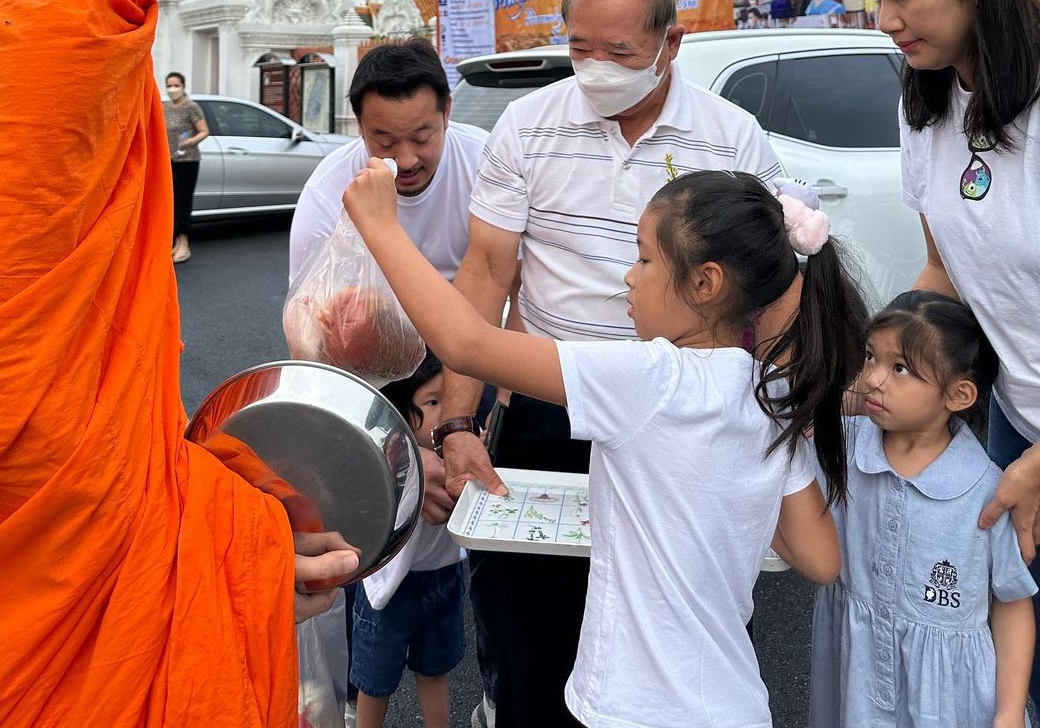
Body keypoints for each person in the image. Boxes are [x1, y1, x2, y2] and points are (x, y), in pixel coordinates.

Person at [0, 0, 360, 726]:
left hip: (96, 456)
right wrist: (199, 527)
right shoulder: (58, 32)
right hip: (48, 510)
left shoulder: (105, 17)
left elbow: (85, 313)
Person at [345, 164, 869, 728]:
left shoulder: (649, 378)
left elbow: (466, 343)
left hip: (629, 708)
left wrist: (381, 226)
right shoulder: (771, 399)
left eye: (644, 259)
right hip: (734, 704)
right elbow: (820, 559)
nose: (628, 277)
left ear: (705, 283)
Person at [432, 0, 786, 727]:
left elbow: (766, 287)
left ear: (672, 41)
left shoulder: (732, 139)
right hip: (550, 404)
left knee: (676, 628)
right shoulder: (528, 125)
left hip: (681, 421)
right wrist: (459, 420)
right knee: (528, 619)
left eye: (620, 52)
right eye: (579, 47)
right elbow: (487, 272)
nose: (595, 69)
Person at [848, 0, 1040, 702]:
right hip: (1014, 408)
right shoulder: (928, 104)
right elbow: (944, 274)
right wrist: (869, 369)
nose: (887, 21)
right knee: (1006, 643)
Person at [288, 39, 488, 721]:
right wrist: (401, 449)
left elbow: (509, 298)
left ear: (448, 115)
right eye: (383, 139)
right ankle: (356, 696)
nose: (405, 159)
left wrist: (460, 421)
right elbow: (311, 340)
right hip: (377, 387)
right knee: (368, 548)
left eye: (423, 137)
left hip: (477, 377)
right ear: (358, 128)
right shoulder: (327, 192)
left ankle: (495, 685)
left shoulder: (487, 165)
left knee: (482, 543)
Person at [810, 291, 1035, 727]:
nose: (874, 379)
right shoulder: (845, 445)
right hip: (855, 678)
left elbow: (1013, 602)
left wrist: (1009, 712)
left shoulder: (986, 490)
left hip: (948, 702)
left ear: (959, 394)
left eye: (900, 369)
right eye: (871, 357)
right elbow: (797, 408)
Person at [351, 353, 465, 728]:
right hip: (388, 590)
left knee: (435, 668)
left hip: (443, 579)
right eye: (432, 403)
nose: (445, 412)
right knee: (375, 680)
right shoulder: (392, 457)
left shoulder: (464, 451)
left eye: (451, 401)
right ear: (402, 414)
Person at [162, 70, 209, 263]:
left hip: (187, 160)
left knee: (183, 202)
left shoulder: (191, 107)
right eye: (169, 85)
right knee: (170, 203)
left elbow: (204, 131)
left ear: (183, 86)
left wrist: (190, 142)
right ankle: (173, 243)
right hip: (169, 160)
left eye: (176, 85)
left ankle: (184, 244)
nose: (173, 89)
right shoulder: (163, 107)